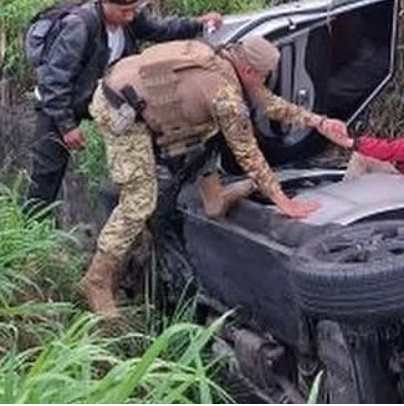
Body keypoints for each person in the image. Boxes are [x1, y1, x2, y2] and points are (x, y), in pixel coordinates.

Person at [79, 36, 347, 317]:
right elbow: (247, 152)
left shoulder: (225, 60)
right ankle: (97, 280)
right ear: (249, 71)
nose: (265, 81)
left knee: (207, 131)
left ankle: (215, 199)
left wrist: (319, 122)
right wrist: (283, 201)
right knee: (140, 201)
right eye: (264, 76)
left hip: (145, 96)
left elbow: (268, 103)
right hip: (120, 107)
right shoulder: (224, 94)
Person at [25, 0, 224, 214]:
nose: (129, 16)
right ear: (105, 2)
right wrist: (67, 126)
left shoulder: (129, 20)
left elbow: (160, 30)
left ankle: (158, 198)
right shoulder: (79, 26)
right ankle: (32, 229)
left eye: (133, 10)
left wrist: (197, 23)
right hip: (59, 102)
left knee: (154, 129)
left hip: (103, 96)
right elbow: (54, 81)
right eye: (123, 11)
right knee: (48, 171)